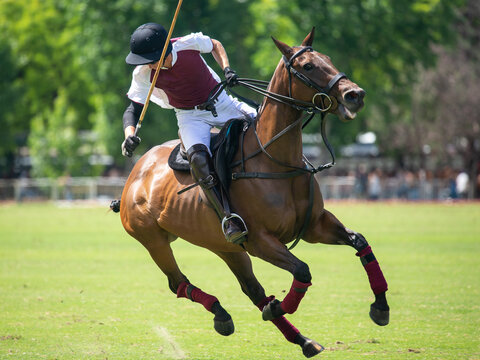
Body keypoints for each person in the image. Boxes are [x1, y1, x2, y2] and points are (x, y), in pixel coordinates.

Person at [121, 23, 257, 244]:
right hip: (189, 116)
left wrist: (227, 69)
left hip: (222, 102)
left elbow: (215, 44)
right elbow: (132, 110)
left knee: (265, 126)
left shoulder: (188, 44)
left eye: (150, 60)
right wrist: (129, 134)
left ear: (164, 52)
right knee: (198, 159)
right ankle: (228, 218)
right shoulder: (143, 73)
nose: (146, 65)